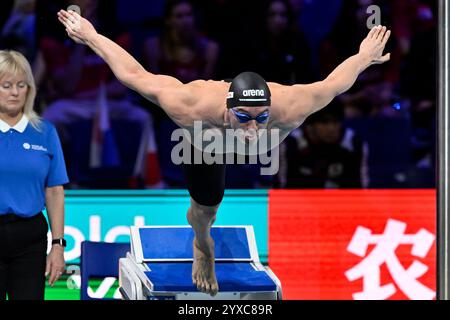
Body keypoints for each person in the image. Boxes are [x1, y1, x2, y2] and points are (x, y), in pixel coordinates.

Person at [58, 9, 391, 296]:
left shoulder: (290, 107)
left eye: (261, 118)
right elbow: (134, 74)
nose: (252, 128)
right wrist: (91, 36)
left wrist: (364, 57)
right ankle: (203, 245)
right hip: (205, 146)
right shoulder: (192, 104)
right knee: (204, 210)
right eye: (243, 117)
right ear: (228, 108)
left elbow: (334, 83)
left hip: (263, 154)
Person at [0, 50, 68, 300]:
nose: (15, 92)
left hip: (30, 238)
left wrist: (58, 246)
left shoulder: (45, 132)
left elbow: (54, 191)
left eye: (21, 85)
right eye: (6, 85)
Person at [279, 101, 369, 189]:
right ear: (311, 125)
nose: (331, 128)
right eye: (324, 122)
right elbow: (282, 188)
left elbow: (360, 190)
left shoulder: (353, 143)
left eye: (336, 122)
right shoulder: (292, 144)